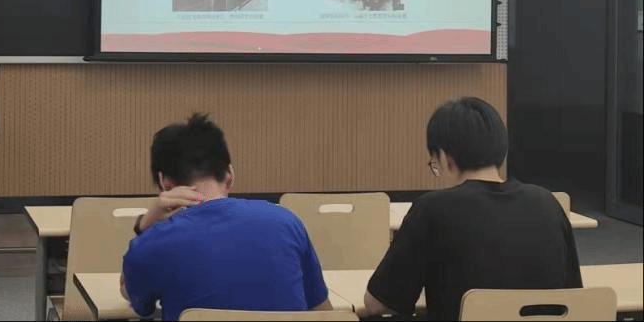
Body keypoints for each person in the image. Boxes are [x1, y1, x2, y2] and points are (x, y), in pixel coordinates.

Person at [364, 97, 582, 321]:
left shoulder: (433, 209)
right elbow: (574, 296)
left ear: (446, 158)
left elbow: (376, 304)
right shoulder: (547, 203)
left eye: (435, 164)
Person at [121, 113, 332, 321]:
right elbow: (323, 312)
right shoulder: (287, 222)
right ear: (229, 175)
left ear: (164, 183)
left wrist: (145, 225)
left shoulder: (153, 242)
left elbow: (130, 293)